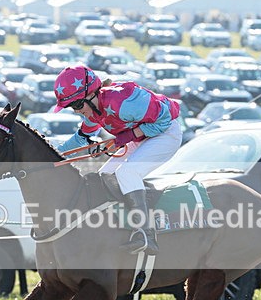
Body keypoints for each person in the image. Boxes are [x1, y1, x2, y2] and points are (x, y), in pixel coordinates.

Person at [53, 65, 182, 255]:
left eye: (77, 105)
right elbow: (80, 139)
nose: (76, 111)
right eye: (72, 107)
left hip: (165, 133)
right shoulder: (94, 111)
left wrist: (124, 138)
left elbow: (163, 120)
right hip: (143, 137)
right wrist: (52, 154)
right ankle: (116, 229)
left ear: (91, 95)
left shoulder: (122, 102)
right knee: (104, 176)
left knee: (126, 173)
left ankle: (146, 234)